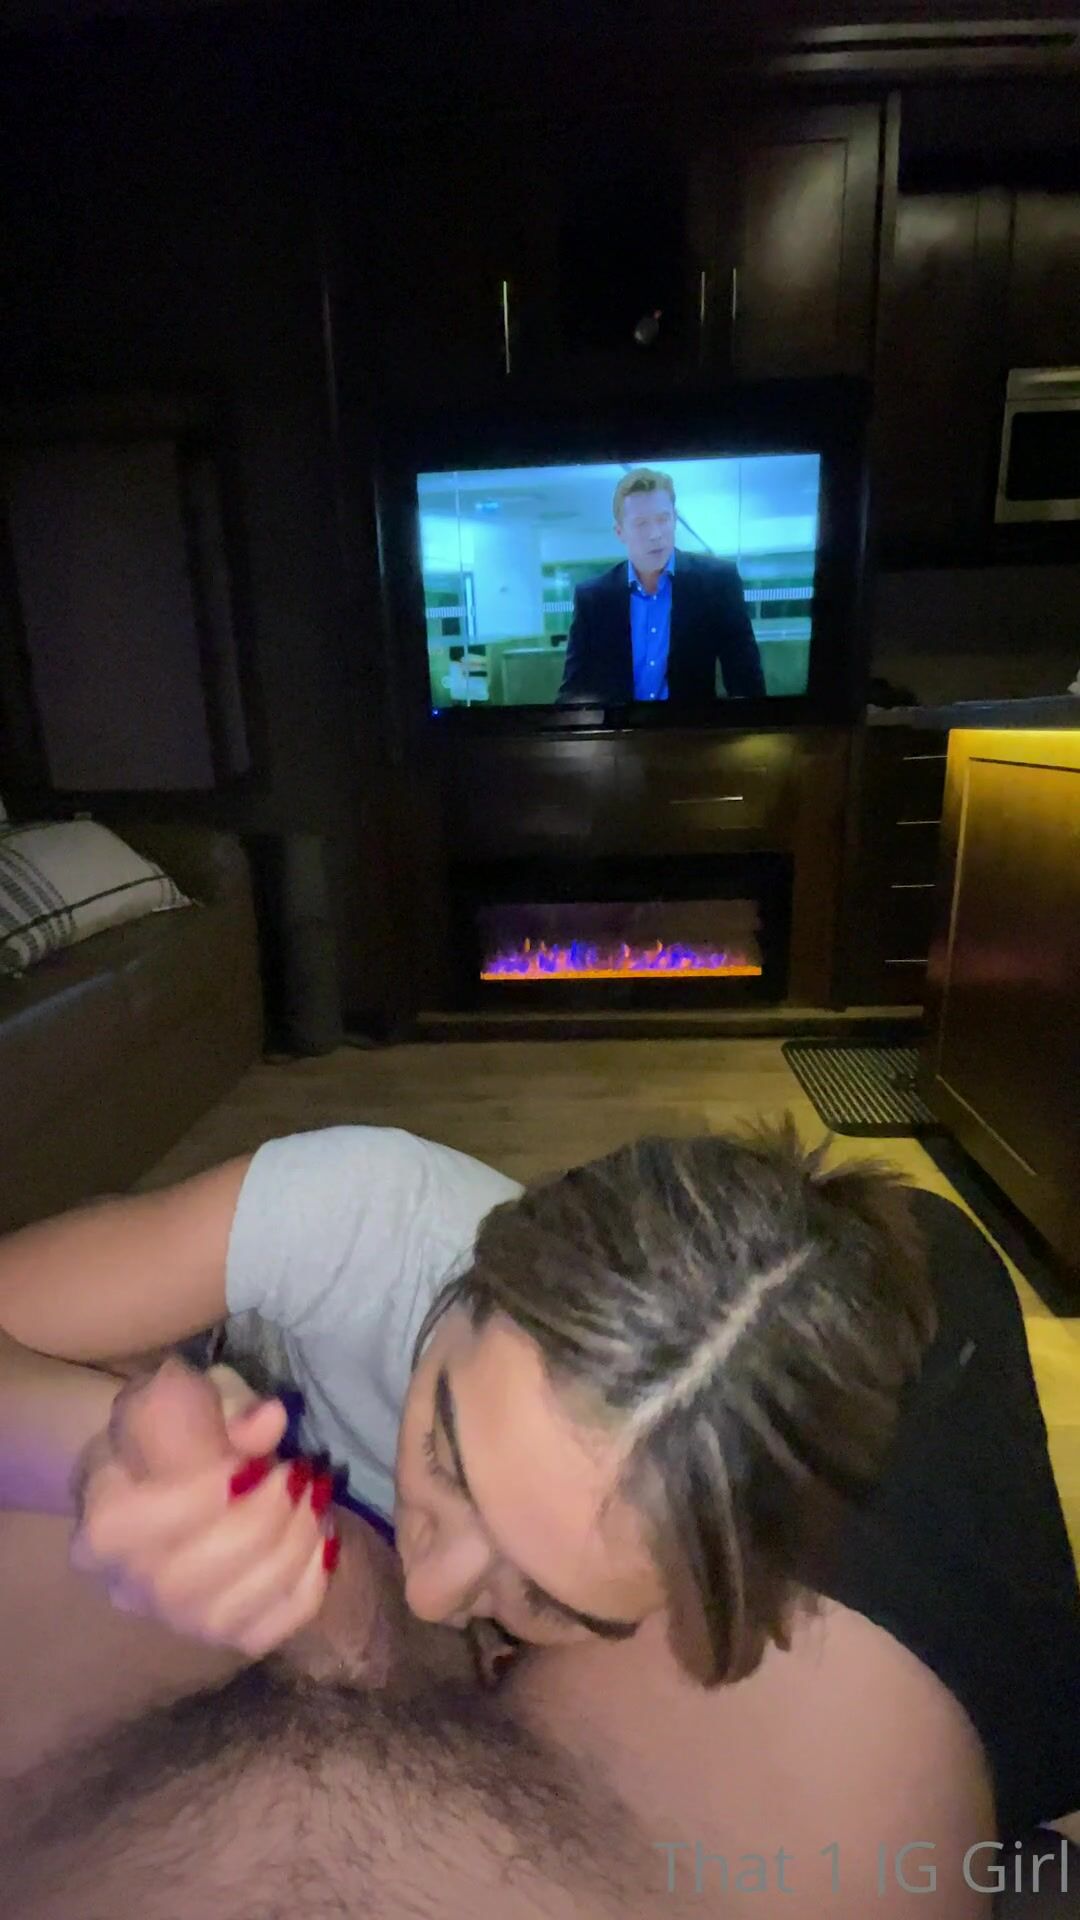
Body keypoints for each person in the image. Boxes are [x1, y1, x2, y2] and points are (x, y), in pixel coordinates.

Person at [0, 1125, 1078, 1869]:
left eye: (553, 1601)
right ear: (473, 1274)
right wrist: (104, 1451)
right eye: (446, 1457)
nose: (433, 1593)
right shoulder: (355, 1216)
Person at [555, 468, 766, 705]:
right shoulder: (593, 598)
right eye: (641, 524)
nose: (655, 534)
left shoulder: (717, 582)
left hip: (691, 725)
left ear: (674, 519)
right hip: (618, 726)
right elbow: (573, 690)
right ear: (620, 532)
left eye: (663, 519)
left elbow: (746, 680)